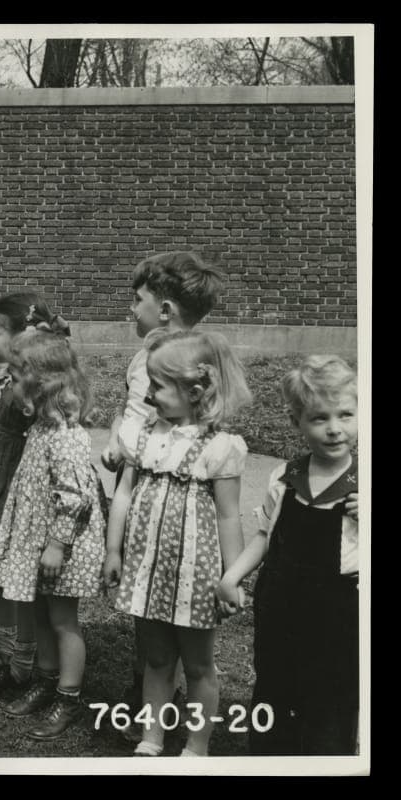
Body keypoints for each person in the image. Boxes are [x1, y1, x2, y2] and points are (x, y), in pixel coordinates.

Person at [104, 330, 251, 757]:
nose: (148, 394)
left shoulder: (220, 447)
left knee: (199, 664)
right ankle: (152, 736)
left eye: (158, 385)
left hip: (194, 574)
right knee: (156, 658)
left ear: (196, 390)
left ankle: (197, 745)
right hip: (147, 568)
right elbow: (124, 495)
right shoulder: (143, 436)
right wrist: (114, 550)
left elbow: (228, 516)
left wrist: (232, 575)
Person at [99, 251, 225, 731]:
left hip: (165, 481)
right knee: (142, 577)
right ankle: (148, 676)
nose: (132, 309)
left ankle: (161, 685)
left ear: (166, 309)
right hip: (135, 471)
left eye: (138, 300)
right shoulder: (145, 354)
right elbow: (132, 411)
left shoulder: (187, 361)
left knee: (165, 576)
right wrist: (115, 438)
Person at [216, 356, 359, 755]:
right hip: (280, 606)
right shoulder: (285, 476)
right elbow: (265, 535)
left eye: (346, 414)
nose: (334, 429)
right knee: (275, 687)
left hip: (338, 616)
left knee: (331, 699)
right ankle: (268, 754)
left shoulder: (363, 484)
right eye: (319, 418)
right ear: (296, 422)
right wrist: (232, 576)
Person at [0, 331, 107, 740]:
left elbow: (76, 497)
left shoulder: (67, 436)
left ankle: (68, 696)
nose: (11, 382)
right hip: (38, 543)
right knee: (39, 613)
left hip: (61, 547)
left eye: (17, 375)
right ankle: (46, 677)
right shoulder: (40, 427)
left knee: (62, 620)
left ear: (43, 383)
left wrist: (57, 545)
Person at [0, 293, 70, 696]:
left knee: (16, 574)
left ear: (24, 337)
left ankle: (23, 659)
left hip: (16, 482)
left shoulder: (35, 382)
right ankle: (5, 649)